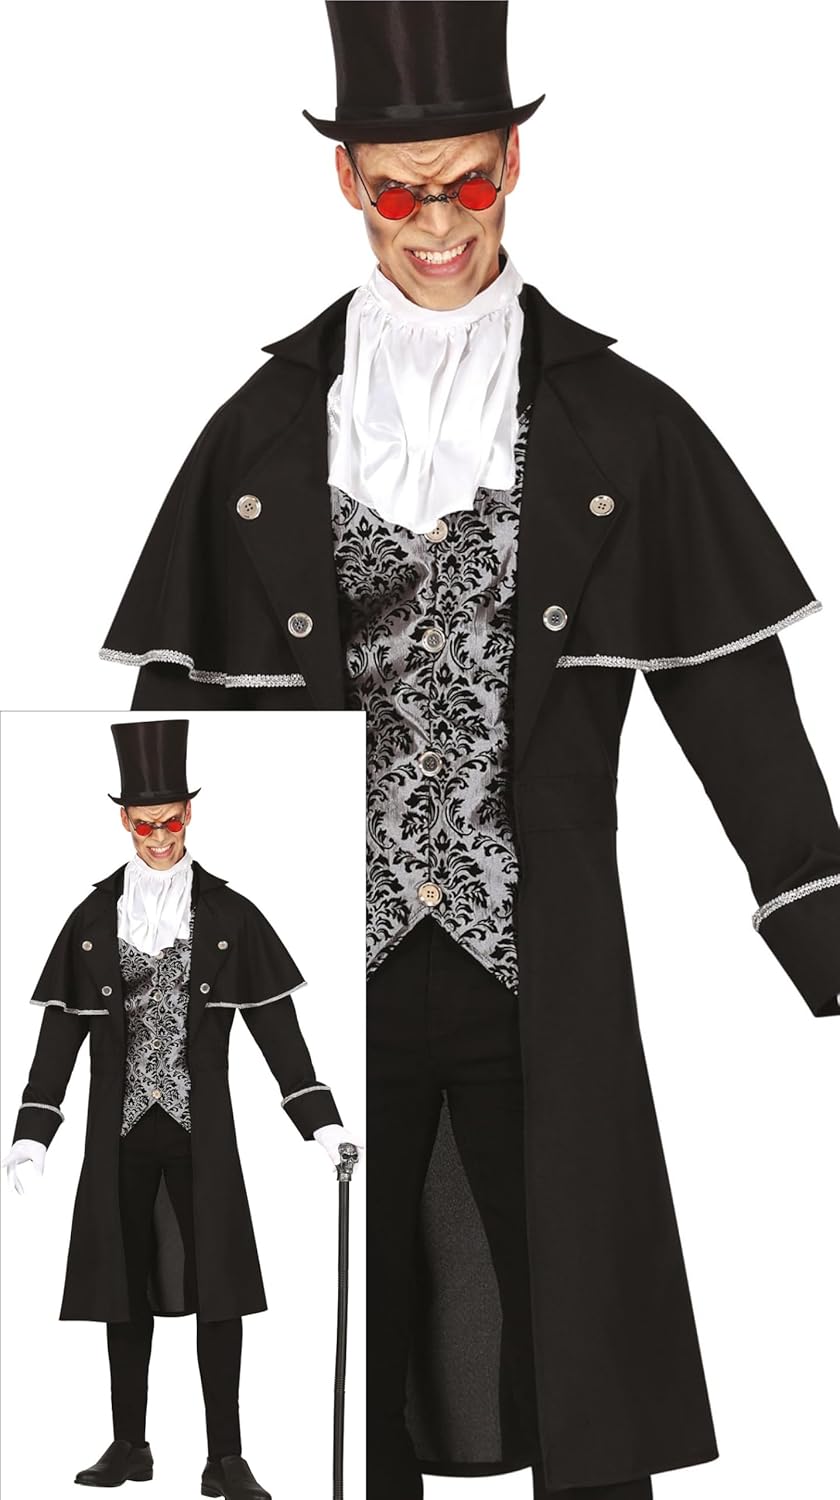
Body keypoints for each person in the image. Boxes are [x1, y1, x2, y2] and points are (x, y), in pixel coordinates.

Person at [97, 4, 840, 1497]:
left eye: (470, 183)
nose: (437, 226)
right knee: (359, 1321)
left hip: (535, 960)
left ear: (515, 159)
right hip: (341, 954)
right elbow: (171, 701)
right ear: (347, 183)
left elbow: (737, 706)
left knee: (567, 1322)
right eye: (398, 192)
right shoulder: (261, 432)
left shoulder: (621, 426)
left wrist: (825, 936)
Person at [2, 718, 364, 1499]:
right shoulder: (93, 919)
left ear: (190, 815)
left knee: (218, 1289)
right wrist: (33, 1134)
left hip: (204, 1136)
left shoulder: (231, 916)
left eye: (170, 821)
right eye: (145, 825)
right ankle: (129, 1444)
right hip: (119, 1135)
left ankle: (225, 1457)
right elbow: (59, 1036)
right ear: (124, 823)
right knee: (121, 1287)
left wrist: (322, 1121)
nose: (160, 838)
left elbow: (277, 1029)